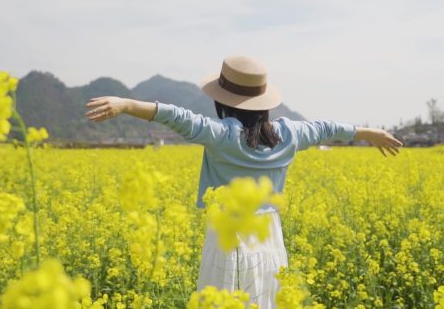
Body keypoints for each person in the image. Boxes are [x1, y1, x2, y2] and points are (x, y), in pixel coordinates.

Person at [85, 56, 403, 308]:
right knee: (263, 298)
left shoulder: (223, 135)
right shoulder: (290, 134)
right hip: (268, 235)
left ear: (223, 102)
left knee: (222, 298)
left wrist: (126, 105)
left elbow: (177, 116)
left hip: (227, 235)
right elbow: (326, 128)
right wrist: (367, 133)